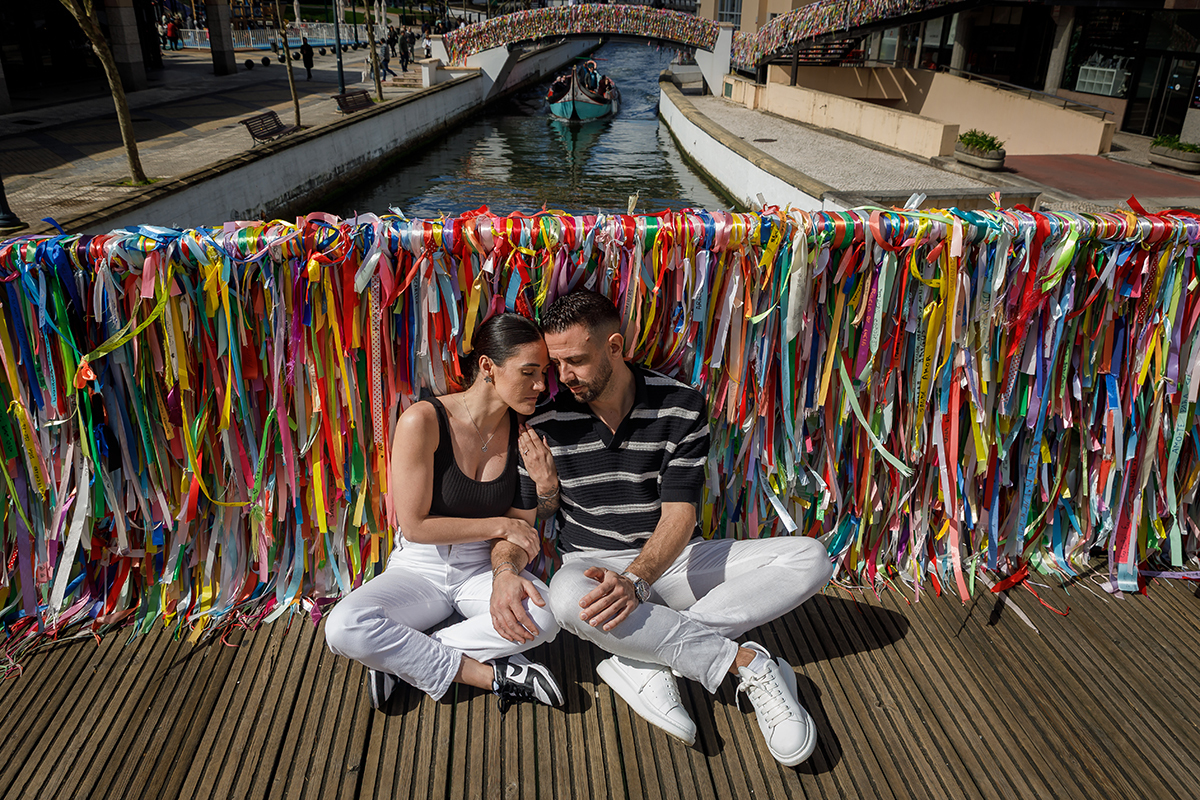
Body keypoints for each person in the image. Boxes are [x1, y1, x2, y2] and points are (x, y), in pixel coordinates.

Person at [496, 291, 834, 766]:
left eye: (576, 360)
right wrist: (511, 559)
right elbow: (526, 522)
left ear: (615, 346)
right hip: (591, 568)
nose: (563, 376)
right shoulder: (544, 421)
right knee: (566, 599)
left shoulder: (680, 406)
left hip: (671, 561)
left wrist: (637, 581)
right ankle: (745, 664)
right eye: (557, 364)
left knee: (811, 558)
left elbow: (681, 516)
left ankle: (641, 653)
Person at [325, 313, 564, 713]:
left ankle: (398, 658)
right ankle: (492, 676)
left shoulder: (526, 431)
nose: (541, 385)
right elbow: (416, 526)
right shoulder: (424, 420)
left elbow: (519, 534)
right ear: (488, 367)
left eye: (543, 372)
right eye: (528, 372)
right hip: (421, 568)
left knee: (549, 615)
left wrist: (507, 571)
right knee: (343, 626)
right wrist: (499, 524)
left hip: (480, 568)